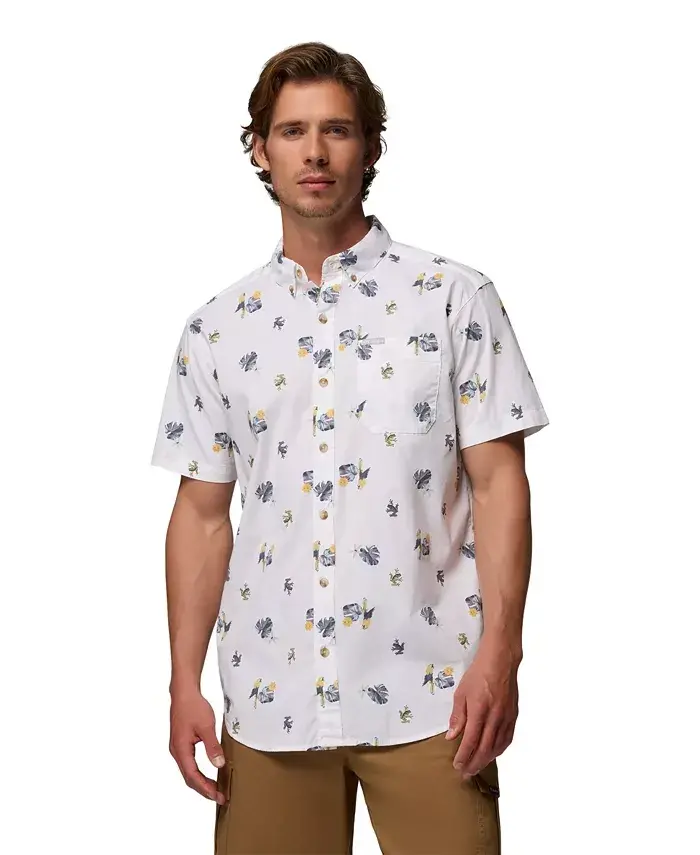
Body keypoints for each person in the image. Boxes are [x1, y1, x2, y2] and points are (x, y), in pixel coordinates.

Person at [150, 40, 550, 855]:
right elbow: (201, 516)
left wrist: (501, 655)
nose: (315, 152)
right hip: (270, 700)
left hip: (436, 700)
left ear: (369, 147)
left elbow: (500, 485)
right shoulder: (217, 330)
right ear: (260, 150)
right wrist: (183, 681)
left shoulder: (453, 299)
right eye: (293, 131)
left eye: (336, 129)